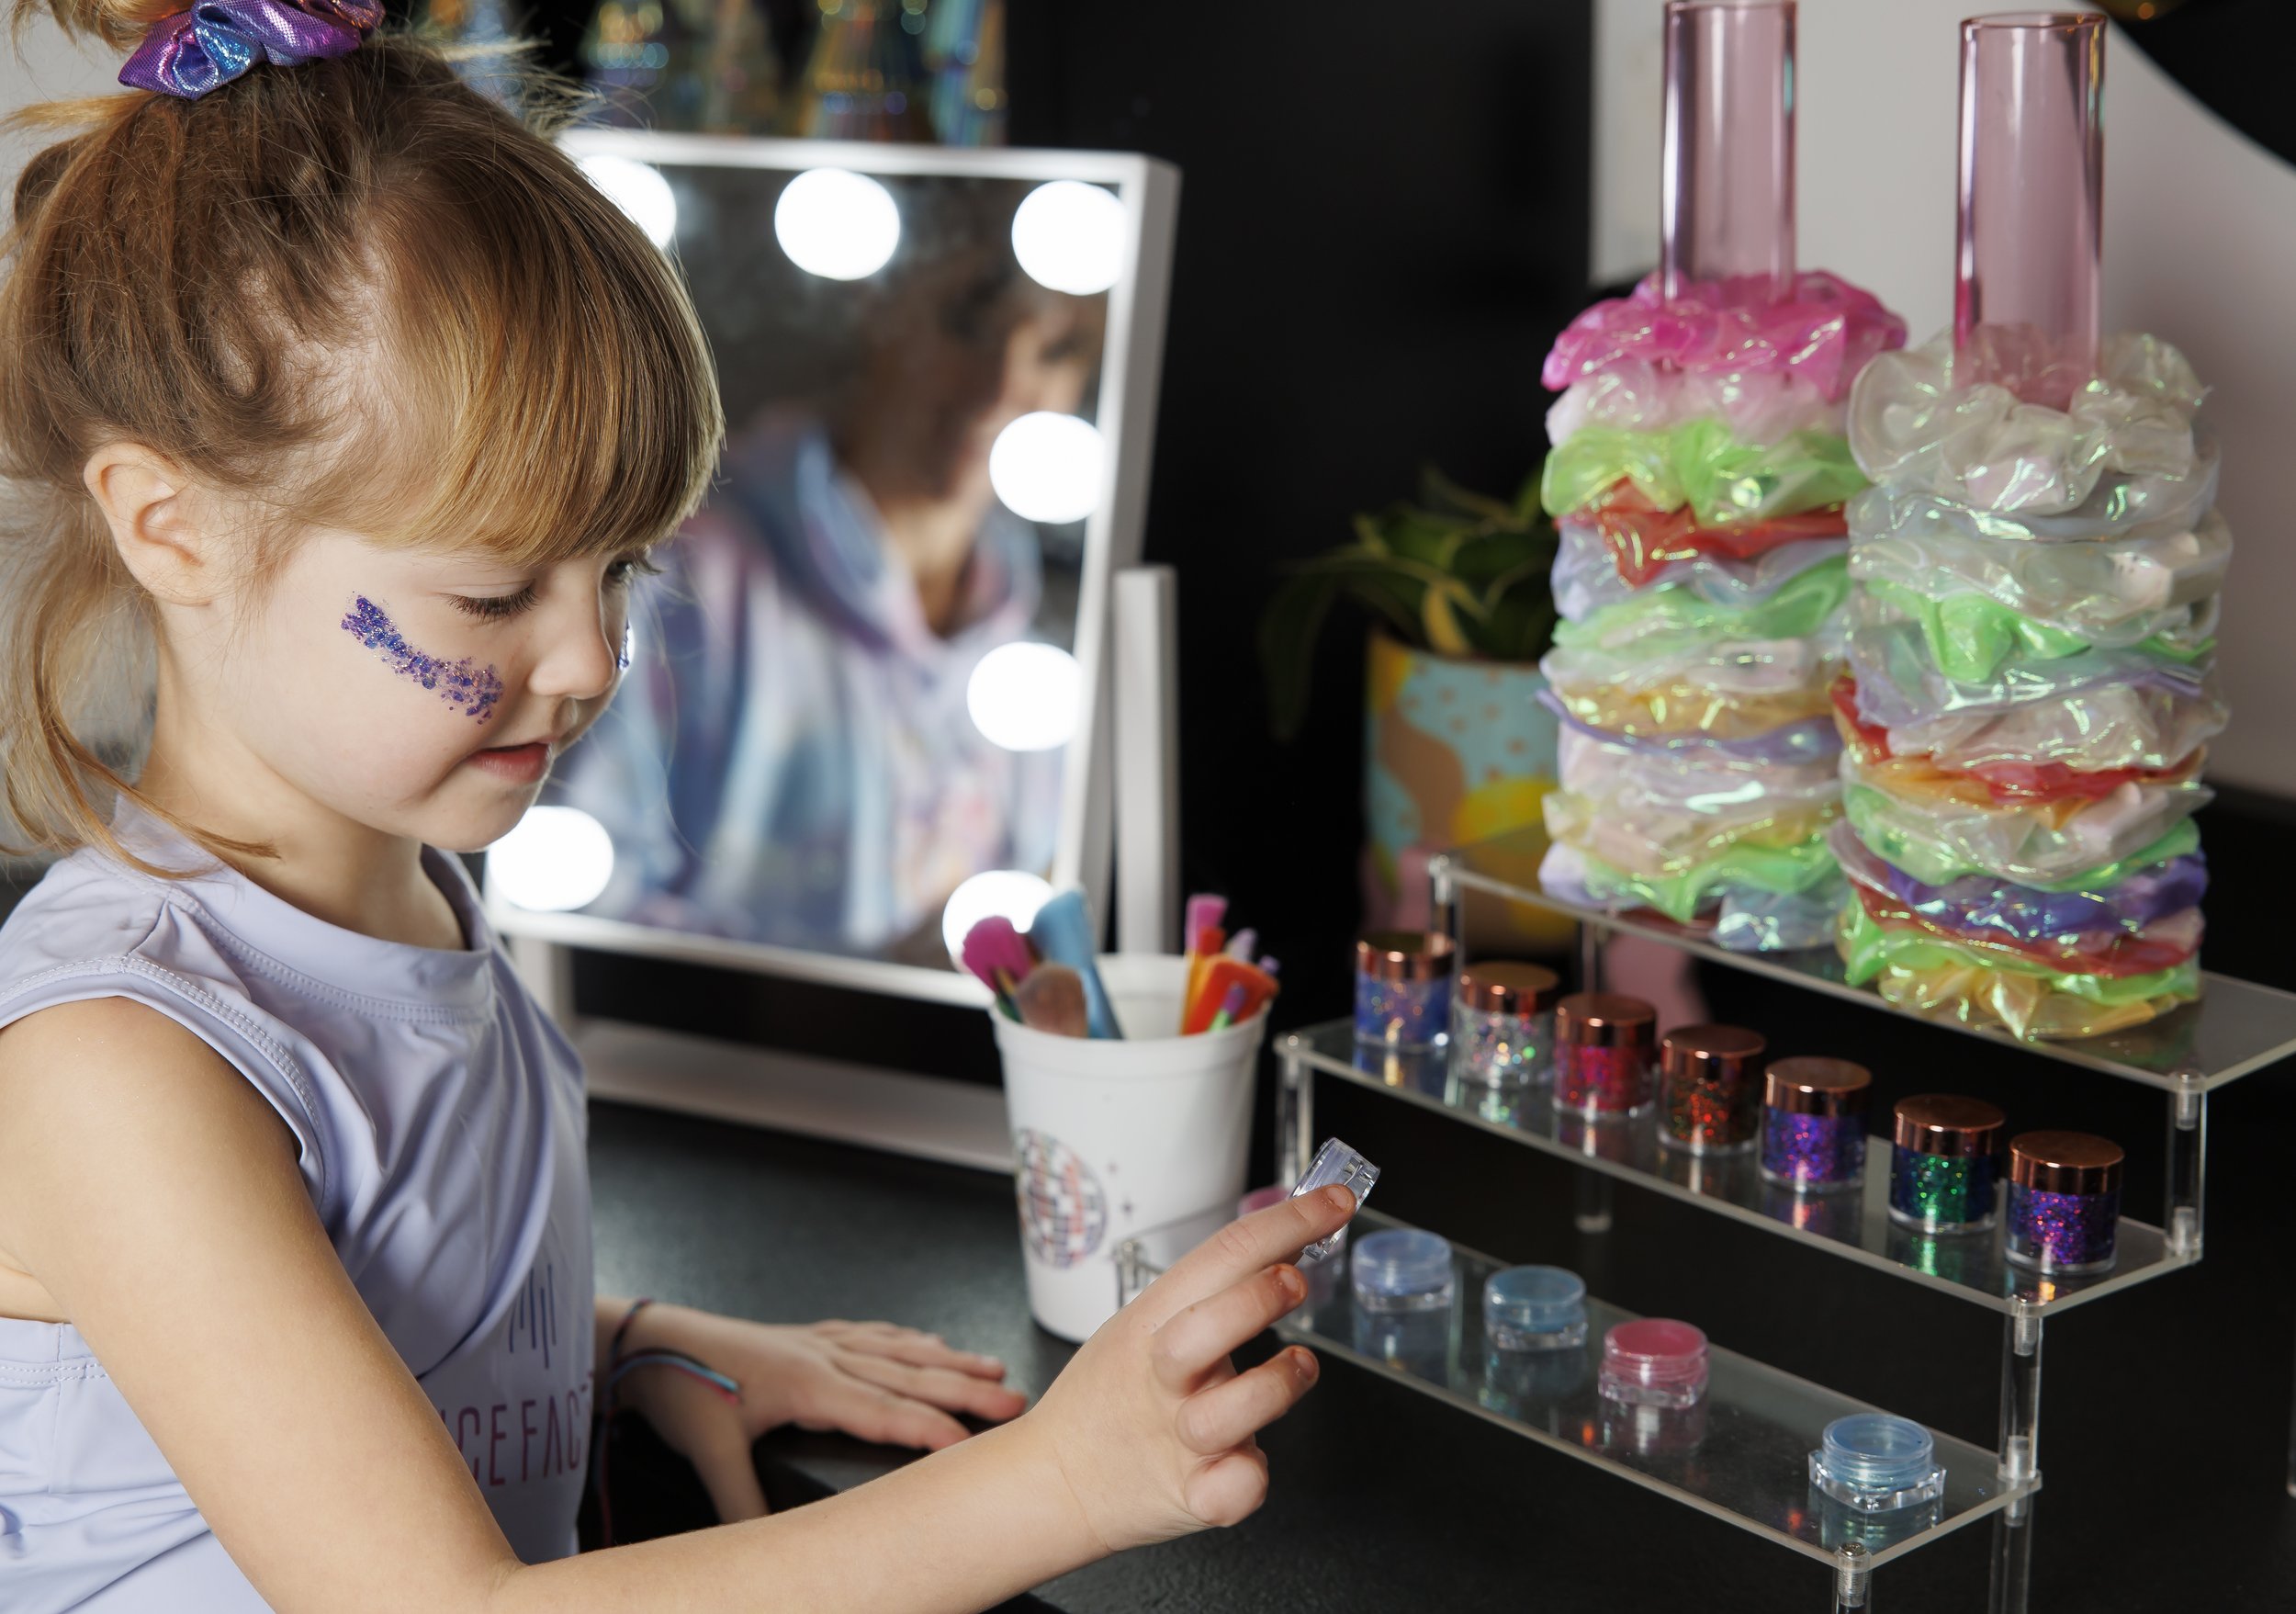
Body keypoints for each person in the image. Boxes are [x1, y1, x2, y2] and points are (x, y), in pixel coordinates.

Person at [0, 9, 1347, 1613]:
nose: (591, 658)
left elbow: (324, 1325)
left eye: (622, 567)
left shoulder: (403, 897)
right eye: (494, 592)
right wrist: (1057, 1480)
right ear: (172, 528)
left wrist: (632, 1338)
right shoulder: (118, 1065)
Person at [554, 198, 1103, 960]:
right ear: (878, 306)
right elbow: (577, 907)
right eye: (968, 324)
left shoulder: (1035, 657)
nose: (1004, 385)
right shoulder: (686, 580)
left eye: (1058, 349)